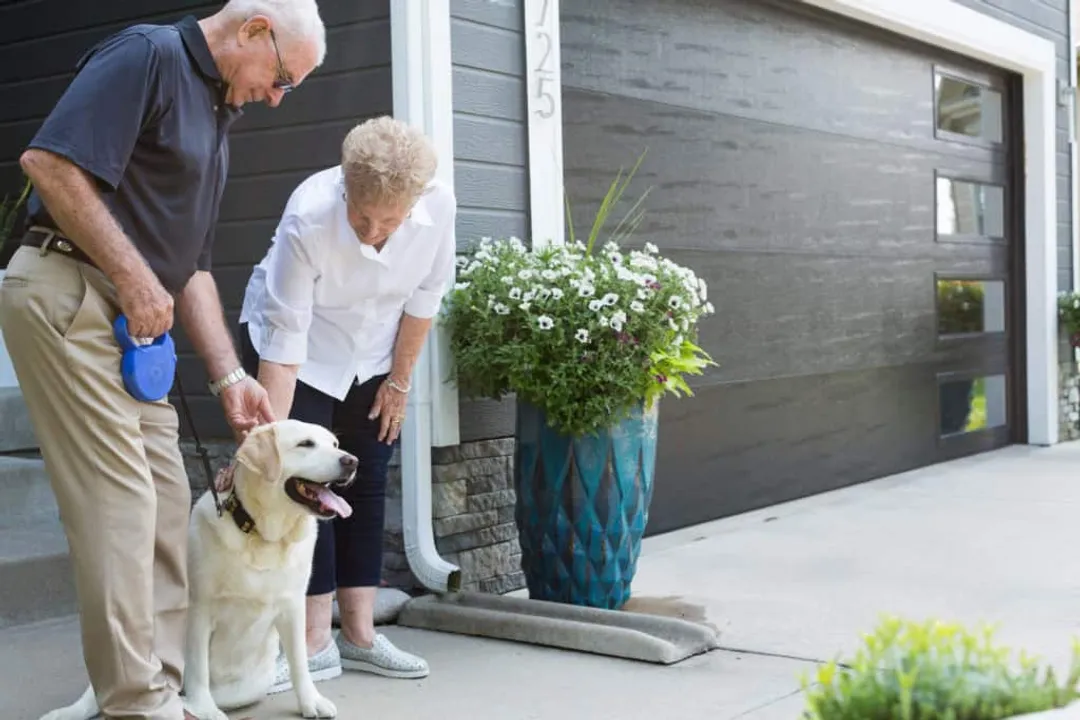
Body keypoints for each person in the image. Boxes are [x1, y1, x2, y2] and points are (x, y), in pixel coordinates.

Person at [0, 2, 326, 718]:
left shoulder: (217, 116)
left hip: (132, 321)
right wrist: (134, 274)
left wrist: (230, 375)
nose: (277, 98)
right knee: (120, 508)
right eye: (282, 80)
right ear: (253, 31)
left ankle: (163, 682)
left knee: (167, 502)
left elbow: (194, 268)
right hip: (67, 294)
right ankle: (137, 704)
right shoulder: (146, 57)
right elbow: (48, 163)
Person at [237, 116, 457, 689]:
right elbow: (284, 345)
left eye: (391, 220)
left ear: (417, 200)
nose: (374, 231)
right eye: (362, 216)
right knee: (306, 485)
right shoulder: (309, 214)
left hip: (377, 352)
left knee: (367, 476)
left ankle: (359, 635)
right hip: (297, 349)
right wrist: (271, 447)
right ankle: (312, 643)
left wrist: (400, 382)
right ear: (344, 186)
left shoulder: (439, 208)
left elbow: (424, 300)